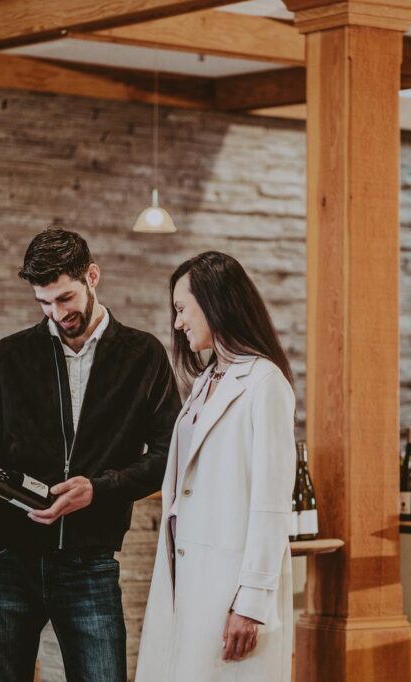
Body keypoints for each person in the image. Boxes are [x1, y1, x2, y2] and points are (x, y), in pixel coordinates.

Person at [0, 227, 181, 682]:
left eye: (65, 298)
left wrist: (98, 489)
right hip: (9, 558)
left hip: (90, 562)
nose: (55, 314)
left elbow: (167, 456)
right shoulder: (9, 356)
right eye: (43, 302)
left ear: (92, 276)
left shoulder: (144, 356)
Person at [136, 251, 296, 681]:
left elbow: (272, 501)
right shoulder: (206, 381)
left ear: (214, 302)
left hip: (227, 583)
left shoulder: (265, 384)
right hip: (183, 575)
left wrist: (252, 602)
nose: (177, 322)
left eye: (181, 308)